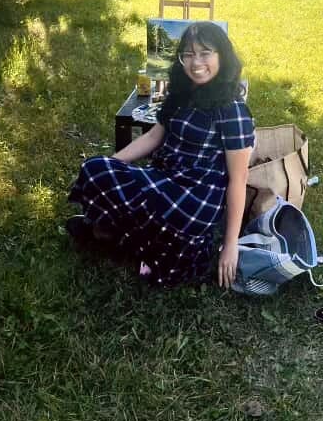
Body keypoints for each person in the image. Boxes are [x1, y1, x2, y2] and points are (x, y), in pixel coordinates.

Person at [66, 22, 255, 289]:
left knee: (130, 201)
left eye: (205, 53)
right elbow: (154, 137)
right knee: (96, 168)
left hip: (196, 199)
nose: (196, 62)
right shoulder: (182, 92)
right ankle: (120, 235)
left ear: (221, 56)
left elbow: (238, 179)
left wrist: (230, 245)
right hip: (165, 177)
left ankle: (118, 237)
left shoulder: (232, 109)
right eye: (188, 55)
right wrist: (113, 166)